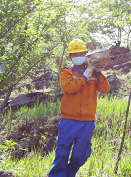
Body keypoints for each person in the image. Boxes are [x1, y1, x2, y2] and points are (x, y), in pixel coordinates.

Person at [48, 39, 110, 177]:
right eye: (74, 55)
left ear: (86, 54)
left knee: (80, 156)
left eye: (81, 53)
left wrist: (98, 72)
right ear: (70, 57)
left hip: (87, 120)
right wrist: (85, 75)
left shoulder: (94, 73)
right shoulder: (66, 72)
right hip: (69, 120)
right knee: (62, 154)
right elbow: (70, 88)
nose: (78, 57)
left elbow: (105, 89)